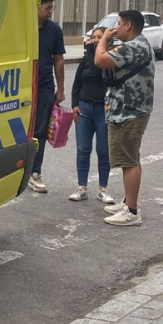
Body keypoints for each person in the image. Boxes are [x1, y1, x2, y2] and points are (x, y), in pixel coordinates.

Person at [94, 10, 155, 226]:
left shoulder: (133, 47)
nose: (116, 27)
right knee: (131, 159)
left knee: (128, 161)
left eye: (118, 24)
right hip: (130, 110)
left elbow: (100, 60)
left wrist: (103, 38)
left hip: (128, 111)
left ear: (128, 26)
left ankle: (132, 211)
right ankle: (128, 201)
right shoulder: (139, 44)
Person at [68, 27, 115, 204]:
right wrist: (74, 105)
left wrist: (96, 51)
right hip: (84, 109)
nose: (95, 40)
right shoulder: (86, 59)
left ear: (108, 39)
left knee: (103, 151)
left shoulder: (110, 58)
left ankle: (103, 189)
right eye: (94, 37)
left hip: (104, 109)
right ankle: (82, 188)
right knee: (83, 149)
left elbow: (105, 77)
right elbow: (77, 83)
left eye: (100, 37)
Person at [28, 0, 66, 193]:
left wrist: (60, 89)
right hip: (21, 86)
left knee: (40, 130)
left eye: (52, 7)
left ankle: (35, 172)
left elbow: (58, 59)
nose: (51, 11)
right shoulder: (23, 27)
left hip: (44, 86)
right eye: (47, 7)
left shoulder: (55, 30)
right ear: (36, 6)